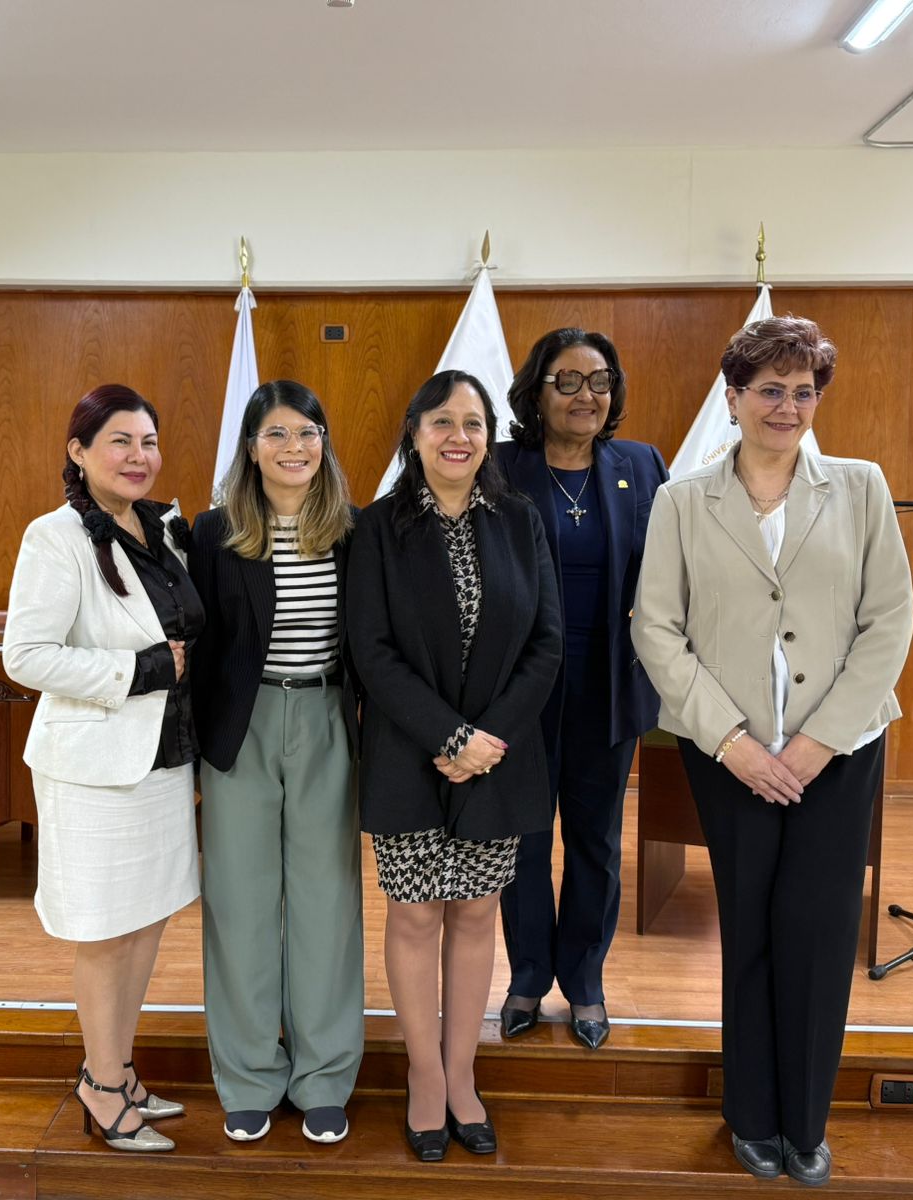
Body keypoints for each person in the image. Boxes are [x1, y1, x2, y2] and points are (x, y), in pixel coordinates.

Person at [633, 316, 913, 1187]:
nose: (787, 407)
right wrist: (733, 742)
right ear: (733, 396)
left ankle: (806, 1121)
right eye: (770, 390)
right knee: (748, 924)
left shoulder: (861, 487)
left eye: (803, 391)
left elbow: (888, 621)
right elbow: (657, 629)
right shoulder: (682, 498)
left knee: (820, 931)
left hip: (840, 749)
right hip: (731, 755)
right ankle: (751, 1115)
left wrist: (822, 741)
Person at [347, 370, 562, 1163]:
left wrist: (486, 741)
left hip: (501, 759)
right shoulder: (377, 527)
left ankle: (464, 1074)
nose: (459, 437)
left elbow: (547, 642)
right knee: (413, 917)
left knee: (476, 915)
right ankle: (424, 1077)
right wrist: (446, 737)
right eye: (442, 421)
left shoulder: (519, 519)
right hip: (408, 754)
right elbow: (370, 648)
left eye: (473, 423)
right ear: (414, 433)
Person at [2, 384, 204, 1154]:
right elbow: (25, 656)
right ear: (78, 451)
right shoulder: (54, 537)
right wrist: (139, 669)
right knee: (105, 932)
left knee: (146, 920)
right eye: (120, 441)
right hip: (93, 768)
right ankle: (100, 1084)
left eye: (148, 441)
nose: (138, 456)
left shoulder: (161, 530)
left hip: (160, 760)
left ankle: (120, 1069)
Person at [189, 379, 364, 1146]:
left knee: (327, 903)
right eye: (278, 435)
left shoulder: (355, 531)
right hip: (243, 725)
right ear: (251, 449)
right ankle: (250, 1075)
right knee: (241, 902)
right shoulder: (214, 531)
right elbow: (196, 645)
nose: (295, 449)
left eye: (308, 433)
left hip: (328, 719)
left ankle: (325, 1075)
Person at [494, 328, 668, 1050]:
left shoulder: (640, 464)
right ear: (536, 391)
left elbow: (665, 573)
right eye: (566, 381)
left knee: (596, 841)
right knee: (526, 843)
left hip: (609, 687)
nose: (585, 396)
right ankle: (530, 977)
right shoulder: (500, 468)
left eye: (599, 381)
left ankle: (586, 981)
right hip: (522, 693)